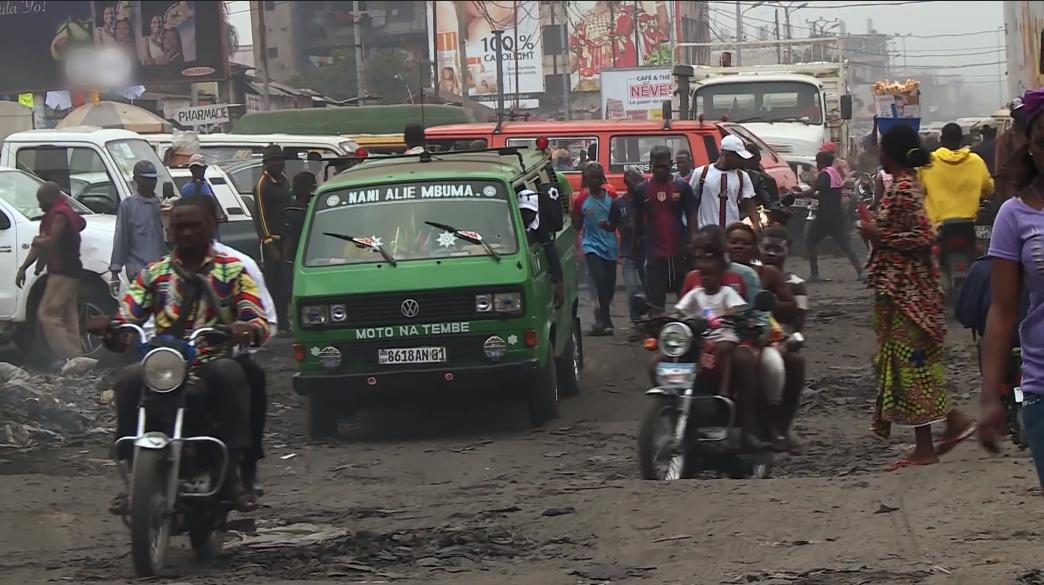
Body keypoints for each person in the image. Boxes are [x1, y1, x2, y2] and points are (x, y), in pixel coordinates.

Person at [101, 196, 270, 514]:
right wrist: (114, 331)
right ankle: (133, 477)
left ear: (211, 225)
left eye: (195, 225)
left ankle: (233, 475)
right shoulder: (153, 274)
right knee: (127, 380)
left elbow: (255, 317)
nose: (187, 232)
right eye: (179, 226)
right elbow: (127, 317)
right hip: (164, 365)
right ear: (170, 230)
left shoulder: (232, 271)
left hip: (211, 360)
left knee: (230, 373)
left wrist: (243, 327)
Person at [858, 124, 975, 469]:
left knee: (912, 367)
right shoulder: (903, 184)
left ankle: (934, 440)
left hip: (910, 294)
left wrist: (876, 232)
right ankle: (939, 433)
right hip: (901, 293)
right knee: (906, 366)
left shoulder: (905, 186)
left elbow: (922, 237)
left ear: (888, 153)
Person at [980, 88, 1044, 488]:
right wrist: (990, 395)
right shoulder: (1014, 215)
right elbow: (1002, 311)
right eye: (1043, 142)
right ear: (1030, 148)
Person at [676, 225, 767, 449]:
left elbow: (758, 315)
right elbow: (683, 310)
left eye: (707, 251)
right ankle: (673, 414)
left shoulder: (744, 275)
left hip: (733, 337)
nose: (701, 257)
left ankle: (747, 431)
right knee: (658, 362)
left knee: (744, 360)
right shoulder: (692, 278)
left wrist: (752, 325)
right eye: (697, 253)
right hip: (698, 341)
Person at [726, 222, 801, 451]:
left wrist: (765, 302)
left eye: (745, 243)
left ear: (754, 248)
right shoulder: (709, 272)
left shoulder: (766, 274)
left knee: (781, 365)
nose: (738, 247)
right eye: (733, 242)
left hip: (755, 337)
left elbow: (791, 307)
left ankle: (774, 424)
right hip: (716, 337)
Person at [15, 182, 87, 367]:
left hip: (64, 271)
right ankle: (77, 358)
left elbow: (49, 242)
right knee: (68, 315)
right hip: (69, 270)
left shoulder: (59, 215)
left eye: (42, 200)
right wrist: (26, 267)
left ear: (51, 198)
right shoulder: (62, 212)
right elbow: (80, 224)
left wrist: (37, 240)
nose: (40, 205)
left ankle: (68, 356)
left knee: (47, 313)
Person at [759, 224, 808, 449]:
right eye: (767, 248)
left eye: (777, 249)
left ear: (788, 250)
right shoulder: (750, 275)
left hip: (781, 340)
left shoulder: (796, 284)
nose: (771, 254)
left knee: (795, 362)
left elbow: (798, 322)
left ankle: (783, 427)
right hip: (751, 338)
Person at [634, 145, 697, 313]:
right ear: (650, 165)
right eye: (657, 166)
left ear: (670, 164)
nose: (660, 170)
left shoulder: (682, 187)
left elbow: (692, 215)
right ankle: (655, 334)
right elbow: (637, 220)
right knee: (655, 304)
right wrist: (638, 244)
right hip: (655, 255)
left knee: (687, 302)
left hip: (680, 253)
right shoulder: (642, 190)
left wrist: (693, 240)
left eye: (664, 166)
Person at [802, 150, 864, 282]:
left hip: (824, 217)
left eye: (818, 162)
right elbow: (827, 194)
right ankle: (860, 272)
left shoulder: (824, 174)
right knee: (845, 245)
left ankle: (814, 275)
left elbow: (814, 191)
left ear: (822, 162)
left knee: (810, 241)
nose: (817, 165)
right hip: (837, 215)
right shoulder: (834, 173)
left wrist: (797, 194)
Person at [572, 162, 618, 335]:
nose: (596, 181)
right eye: (592, 178)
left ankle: (602, 313)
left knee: (610, 286)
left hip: (610, 246)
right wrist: (576, 244)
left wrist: (609, 226)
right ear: (586, 180)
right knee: (599, 279)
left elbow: (617, 220)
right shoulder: (582, 200)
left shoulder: (612, 195)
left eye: (599, 178)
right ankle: (606, 321)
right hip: (591, 245)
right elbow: (577, 222)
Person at [921, 122, 994, 226]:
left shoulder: (928, 162)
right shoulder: (976, 161)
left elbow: (919, 190)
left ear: (941, 139)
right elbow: (989, 189)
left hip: (937, 227)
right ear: (961, 139)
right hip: (969, 225)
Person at [110, 161, 166, 291]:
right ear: (137, 180)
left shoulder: (161, 205)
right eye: (146, 180)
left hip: (160, 271)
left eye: (153, 180)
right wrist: (115, 271)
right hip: (138, 271)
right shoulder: (128, 206)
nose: (151, 183)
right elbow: (121, 238)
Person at [254, 144, 291, 334]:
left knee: (286, 284)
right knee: (274, 284)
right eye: (274, 160)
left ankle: (285, 322)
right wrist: (269, 244)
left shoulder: (284, 181)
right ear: (266, 163)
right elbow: (261, 217)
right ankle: (276, 323)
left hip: (286, 240)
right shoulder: (262, 185)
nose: (278, 163)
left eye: (280, 160)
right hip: (272, 242)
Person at [691, 135, 761, 231]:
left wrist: (756, 227)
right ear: (726, 155)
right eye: (738, 157)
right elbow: (690, 203)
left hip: (731, 233)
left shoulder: (742, 176)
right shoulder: (701, 173)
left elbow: (750, 206)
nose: (742, 161)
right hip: (706, 233)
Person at [517, 189, 565, 308]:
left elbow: (550, 249)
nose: (526, 216)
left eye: (530, 212)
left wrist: (559, 282)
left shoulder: (541, 227)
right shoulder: (509, 224)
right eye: (523, 211)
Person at [615, 166, 646, 340]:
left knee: (650, 289)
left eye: (639, 180)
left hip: (646, 251)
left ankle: (651, 323)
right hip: (629, 252)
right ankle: (637, 323)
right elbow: (615, 223)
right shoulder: (620, 203)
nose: (637, 184)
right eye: (634, 180)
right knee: (632, 289)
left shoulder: (646, 201)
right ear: (626, 182)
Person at [284, 171, 317, 280]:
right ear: (309, 189)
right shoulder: (296, 212)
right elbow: (289, 242)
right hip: (303, 262)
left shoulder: (291, 211)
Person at [995, 98, 1028, 202]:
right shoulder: (1006, 139)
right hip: (1014, 195)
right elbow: (1000, 171)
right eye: (1018, 112)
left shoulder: (1034, 134)